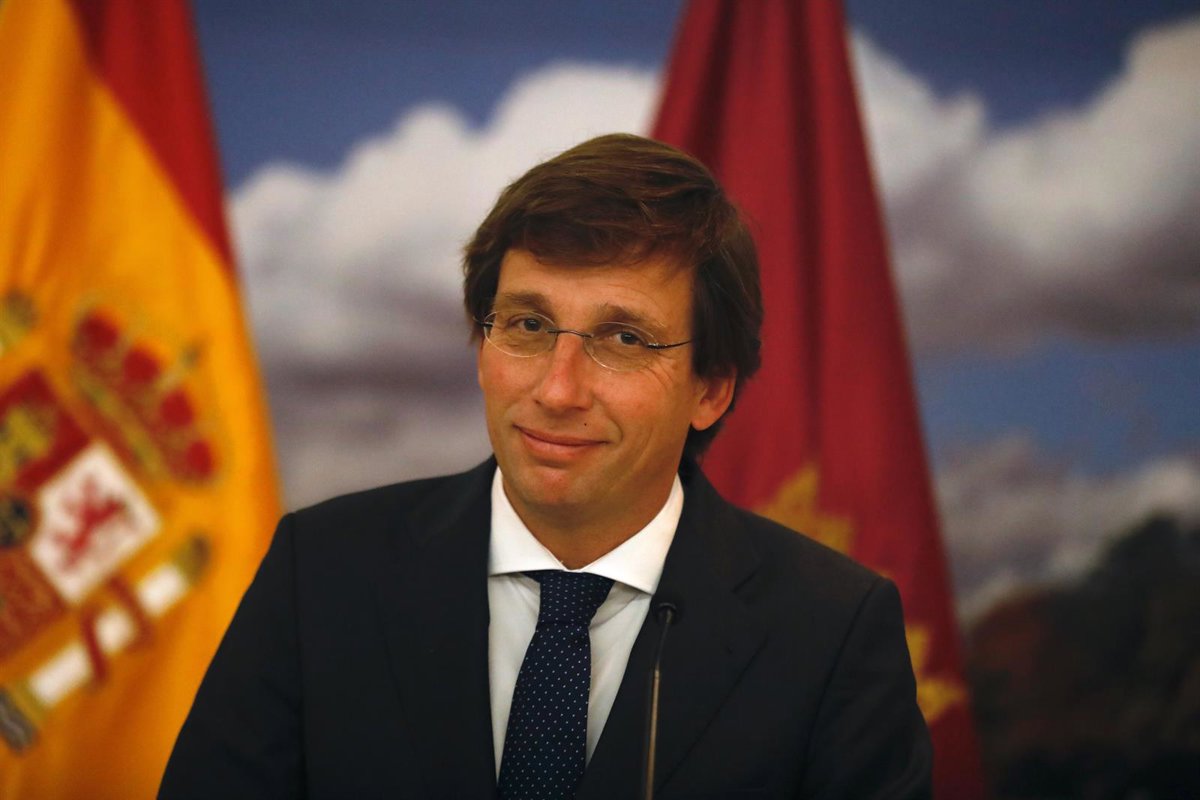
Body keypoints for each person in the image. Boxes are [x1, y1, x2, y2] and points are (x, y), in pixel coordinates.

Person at [160, 133, 932, 799]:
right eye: (528, 325)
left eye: (624, 339)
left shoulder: (831, 630)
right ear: (481, 345)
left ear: (711, 389)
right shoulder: (323, 572)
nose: (558, 391)